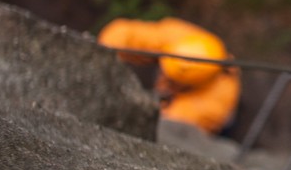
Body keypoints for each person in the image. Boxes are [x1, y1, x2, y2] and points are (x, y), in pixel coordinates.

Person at [98, 17, 241, 135]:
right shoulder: (178, 37)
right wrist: (102, 55)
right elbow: (121, 35)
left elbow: (168, 124)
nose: (163, 76)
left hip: (209, 117)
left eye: (174, 81)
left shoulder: (213, 106)